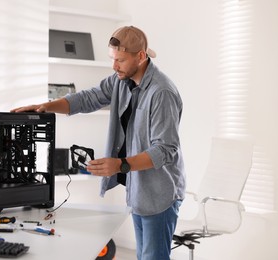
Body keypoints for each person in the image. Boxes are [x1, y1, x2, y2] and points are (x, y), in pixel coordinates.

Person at [11, 25, 186, 260]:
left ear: (141, 56)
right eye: (113, 59)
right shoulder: (120, 81)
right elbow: (88, 98)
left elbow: (165, 150)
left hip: (160, 192)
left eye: (121, 60)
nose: (115, 66)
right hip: (140, 190)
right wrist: (47, 107)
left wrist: (120, 165)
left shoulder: (161, 92)